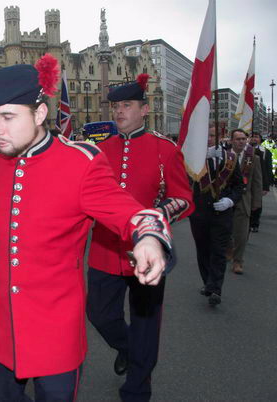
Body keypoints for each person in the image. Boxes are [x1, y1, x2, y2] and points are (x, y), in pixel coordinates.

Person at [0, 56, 173, 401]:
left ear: (39, 114)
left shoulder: (80, 161)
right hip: (0, 330)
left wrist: (149, 237)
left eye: (8, 117)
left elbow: (129, 210)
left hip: (55, 333)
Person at [86, 74, 193, 402]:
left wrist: (157, 216)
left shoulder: (165, 149)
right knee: (100, 314)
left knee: (147, 324)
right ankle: (130, 350)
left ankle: (137, 388)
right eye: (116, 106)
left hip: (149, 254)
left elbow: (184, 198)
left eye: (127, 105)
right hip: (105, 249)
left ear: (144, 109)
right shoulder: (99, 151)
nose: (119, 111)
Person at [189, 127, 243, 306]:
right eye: (206, 136)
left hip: (222, 213)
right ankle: (208, 283)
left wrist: (230, 200)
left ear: (220, 137)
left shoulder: (230, 158)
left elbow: (237, 187)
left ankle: (216, 289)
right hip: (199, 213)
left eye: (212, 136)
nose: (209, 139)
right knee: (203, 250)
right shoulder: (192, 160)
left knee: (219, 252)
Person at [229, 129, 262, 274]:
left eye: (243, 139)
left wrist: (256, 202)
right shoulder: (224, 156)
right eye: (238, 139)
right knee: (226, 232)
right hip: (226, 200)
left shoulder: (252, 158)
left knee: (242, 234)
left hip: (243, 201)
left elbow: (257, 181)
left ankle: (238, 261)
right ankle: (228, 251)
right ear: (231, 141)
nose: (241, 141)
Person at [248, 131, 272, 232]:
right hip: (247, 180)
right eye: (252, 137)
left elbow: (268, 169)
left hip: (259, 181)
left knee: (257, 202)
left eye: (256, 137)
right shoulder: (246, 150)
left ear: (260, 139)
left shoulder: (265, 152)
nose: (254, 139)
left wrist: (266, 186)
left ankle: (254, 223)